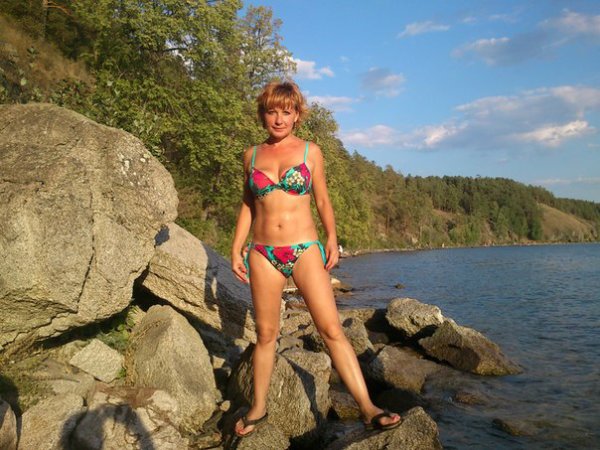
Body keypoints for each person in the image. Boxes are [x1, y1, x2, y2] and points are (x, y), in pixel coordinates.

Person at [230, 80, 401, 437]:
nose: (279, 119)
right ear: (263, 114)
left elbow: (322, 199)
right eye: (272, 111)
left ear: (297, 115)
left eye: (286, 111)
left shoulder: (311, 152)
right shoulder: (251, 156)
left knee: (331, 329)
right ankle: (258, 408)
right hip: (262, 252)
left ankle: (368, 407)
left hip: (305, 248)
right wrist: (236, 247)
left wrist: (332, 238)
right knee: (266, 334)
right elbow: (248, 204)